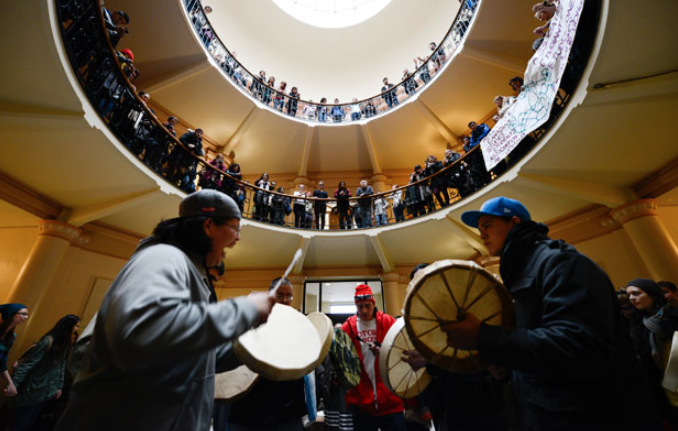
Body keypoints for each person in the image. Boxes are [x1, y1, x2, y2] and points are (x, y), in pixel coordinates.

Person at [55, 190, 275, 431]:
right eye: (236, 227)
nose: (238, 238)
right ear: (209, 226)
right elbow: (145, 332)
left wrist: (255, 336)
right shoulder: (163, 257)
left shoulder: (189, 271)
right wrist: (246, 308)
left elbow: (198, 356)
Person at [442, 196, 663, 430]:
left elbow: (578, 348)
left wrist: (484, 337)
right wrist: (508, 366)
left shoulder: (560, 262)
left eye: (487, 225)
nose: (482, 234)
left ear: (514, 222)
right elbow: (537, 343)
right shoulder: (523, 272)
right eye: (480, 229)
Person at [228, 278, 307, 431]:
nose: (285, 300)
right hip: (251, 407)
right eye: (280, 295)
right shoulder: (255, 317)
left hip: (288, 407)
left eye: (289, 296)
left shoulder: (298, 325)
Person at [341, 285, 404, 431]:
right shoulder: (347, 328)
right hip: (361, 403)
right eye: (360, 306)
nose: (363, 311)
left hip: (391, 401)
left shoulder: (389, 322)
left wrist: (385, 352)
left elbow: (403, 351)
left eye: (367, 306)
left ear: (374, 304)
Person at [6, 315, 80, 431]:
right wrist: (13, 384)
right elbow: (27, 364)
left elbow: (61, 366)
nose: (76, 329)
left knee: (28, 423)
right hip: (33, 389)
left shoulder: (64, 345)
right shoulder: (48, 342)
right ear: (68, 326)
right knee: (20, 423)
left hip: (47, 390)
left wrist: (58, 386)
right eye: (76, 326)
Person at [626, 278, 678, 425]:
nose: (632, 299)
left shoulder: (672, 316)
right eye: (629, 295)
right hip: (658, 381)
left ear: (653, 295)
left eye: (636, 293)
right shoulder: (638, 322)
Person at [0, 304, 29, 398]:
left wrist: (10, 383)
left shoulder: (11, 337)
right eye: (23, 314)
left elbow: (2, 362)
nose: (26, 317)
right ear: (12, 314)